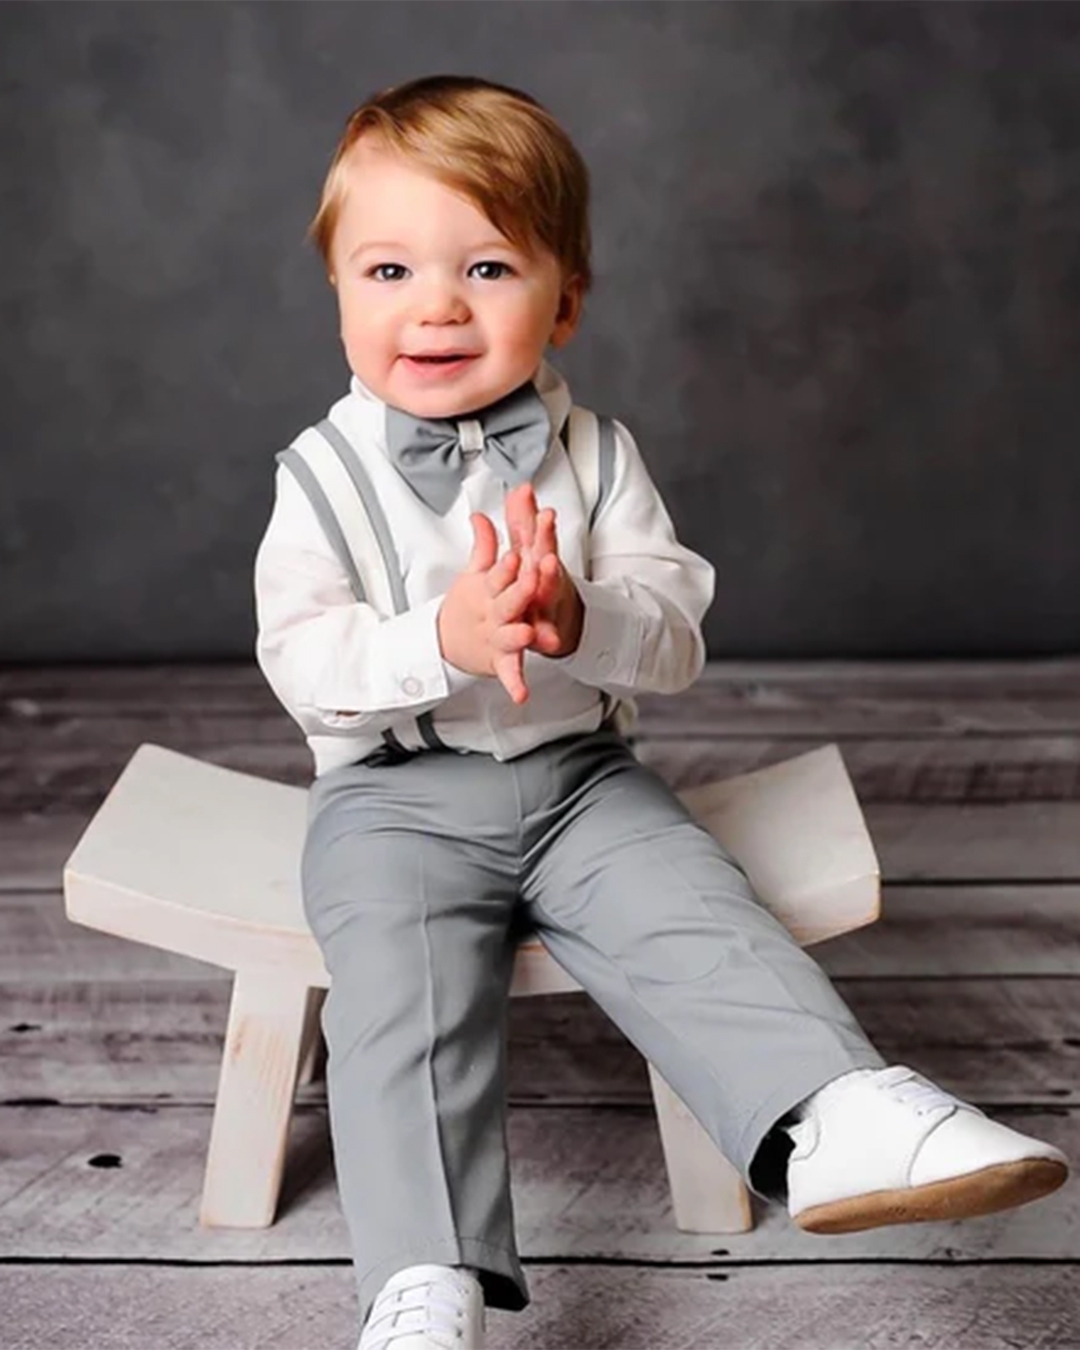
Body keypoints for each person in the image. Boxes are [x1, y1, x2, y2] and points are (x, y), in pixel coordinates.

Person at [253, 74, 1069, 1350]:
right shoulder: (320, 477)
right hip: (393, 799)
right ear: (340, 295)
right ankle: (425, 1276)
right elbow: (302, 658)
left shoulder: (599, 456)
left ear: (565, 300)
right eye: (390, 270)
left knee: (696, 908)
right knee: (401, 995)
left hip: (580, 778)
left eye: (486, 267)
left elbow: (677, 637)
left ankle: (838, 1115)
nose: (438, 307)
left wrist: (581, 617)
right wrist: (443, 637)